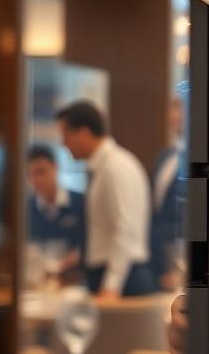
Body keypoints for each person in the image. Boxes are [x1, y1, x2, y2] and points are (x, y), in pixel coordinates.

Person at [56, 101, 156, 297]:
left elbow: (124, 229)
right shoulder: (102, 167)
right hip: (108, 274)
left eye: (65, 135)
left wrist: (111, 285)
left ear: (83, 132)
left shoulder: (115, 167)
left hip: (124, 279)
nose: (63, 143)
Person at [25, 144, 86, 280]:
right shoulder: (26, 208)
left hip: (74, 280)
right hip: (38, 279)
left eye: (41, 172)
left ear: (55, 168)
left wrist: (60, 266)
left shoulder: (80, 202)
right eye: (31, 174)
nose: (36, 180)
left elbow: (87, 245)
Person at [150, 92, 186, 290]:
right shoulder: (164, 157)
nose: (177, 115)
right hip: (160, 264)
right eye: (175, 107)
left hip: (186, 262)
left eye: (183, 107)